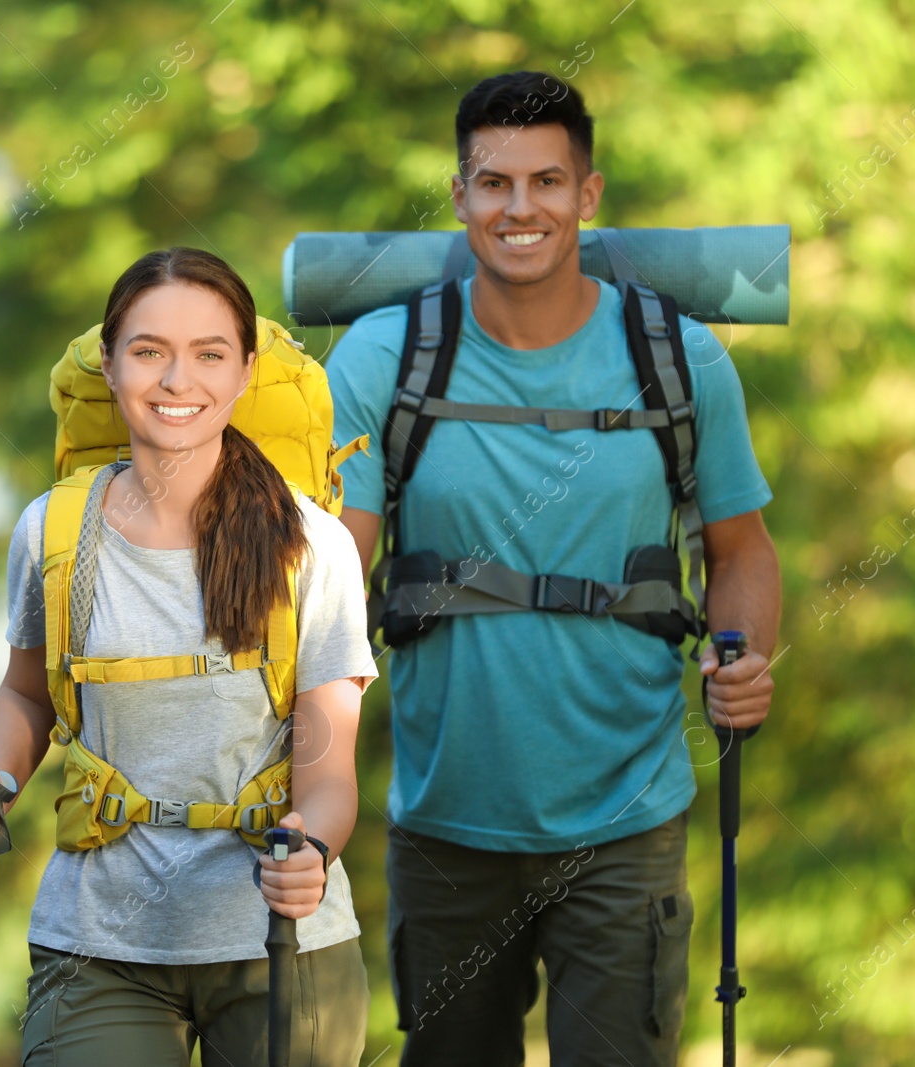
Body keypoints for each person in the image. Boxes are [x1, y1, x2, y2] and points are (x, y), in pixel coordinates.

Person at [325, 72, 783, 1066]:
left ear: (588, 194)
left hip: (627, 819)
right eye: (493, 183)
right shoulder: (381, 360)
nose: (519, 208)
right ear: (458, 197)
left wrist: (743, 658)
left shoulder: (679, 360)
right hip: (447, 826)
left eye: (545, 181)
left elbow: (741, 552)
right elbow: (330, 578)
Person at [0, 247, 376, 1066]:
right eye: (148, 351)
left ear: (244, 372)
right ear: (109, 362)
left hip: (281, 936)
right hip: (98, 942)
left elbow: (328, 759)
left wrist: (313, 849)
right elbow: (28, 697)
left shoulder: (312, 544)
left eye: (209, 354)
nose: (178, 380)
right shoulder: (53, 531)